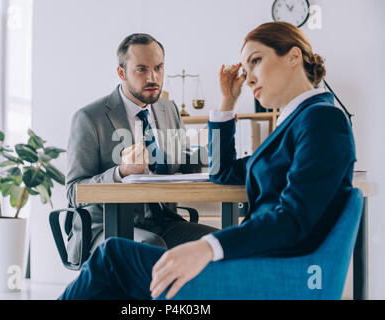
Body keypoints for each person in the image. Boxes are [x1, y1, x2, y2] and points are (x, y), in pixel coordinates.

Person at [59, 22, 356, 300]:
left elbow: (292, 219)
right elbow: (224, 172)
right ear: (122, 72)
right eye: (142, 69)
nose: (249, 76)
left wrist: (208, 247)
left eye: (256, 60)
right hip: (260, 255)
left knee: (114, 259)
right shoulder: (302, 120)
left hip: (269, 266)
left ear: (293, 57)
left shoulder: (320, 120)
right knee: (117, 255)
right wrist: (227, 102)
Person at [66, 33, 217, 265]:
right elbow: (74, 191)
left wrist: (210, 153)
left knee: (217, 242)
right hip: (106, 227)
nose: (152, 77)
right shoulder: (89, 118)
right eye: (142, 69)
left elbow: (184, 164)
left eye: (158, 68)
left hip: (163, 222)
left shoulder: (169, 109)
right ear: (121, 72)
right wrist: (120, 173)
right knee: (150, 247)